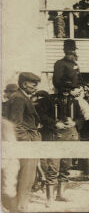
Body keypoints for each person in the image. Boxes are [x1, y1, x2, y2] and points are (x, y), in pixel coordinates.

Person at [53, 39, 89, 138]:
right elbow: (57, 81)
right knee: (83, 105)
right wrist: (69, 91)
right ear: (65, 51)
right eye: (70, 50)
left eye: (73, 49)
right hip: (67, 92)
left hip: (79, 89)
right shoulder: (60, 63)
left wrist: (86, 86)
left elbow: (79, 80)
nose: (73, 52)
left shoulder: (74, 64)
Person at [36, 88, 78, 207]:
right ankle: (49, 198)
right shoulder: (48, 100)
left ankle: (60, 194)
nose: (66, 90)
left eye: (69, 88)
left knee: (66, 167)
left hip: (69, 139)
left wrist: (75, 123)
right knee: (53, 168)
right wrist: (54, 123)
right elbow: (40, 115)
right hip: (54, 137)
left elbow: (81, 119)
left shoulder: (75, 102)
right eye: (63, 87)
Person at [8, 72, 42, 211]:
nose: (35, 86)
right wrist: (27, 142)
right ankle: (20, 208)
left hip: (29, 142)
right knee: (25, 178)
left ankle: (21, 205)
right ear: (23, 84)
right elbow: (16, 125)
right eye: (32, 83)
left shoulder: (21, 97)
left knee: (28, 177)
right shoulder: (19, 98)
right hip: (26, 144)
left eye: (36, 83)